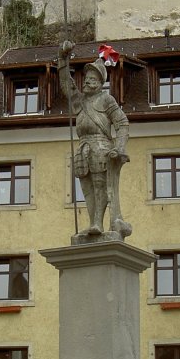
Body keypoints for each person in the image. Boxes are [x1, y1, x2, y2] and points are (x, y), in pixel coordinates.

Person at [58, 40, 132, 239]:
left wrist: (120, 146)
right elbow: (66, 83)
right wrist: (63, 58)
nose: (87, 81)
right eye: (87, 78)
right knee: (87, 187)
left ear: (100, 83)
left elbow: (122, 123)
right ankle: (94, 222)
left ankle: (98, 222)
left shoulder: (106, 99)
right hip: (83, 147)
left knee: (100, 185)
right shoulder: (80, 101)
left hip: (101, 146)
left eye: (92, 79)